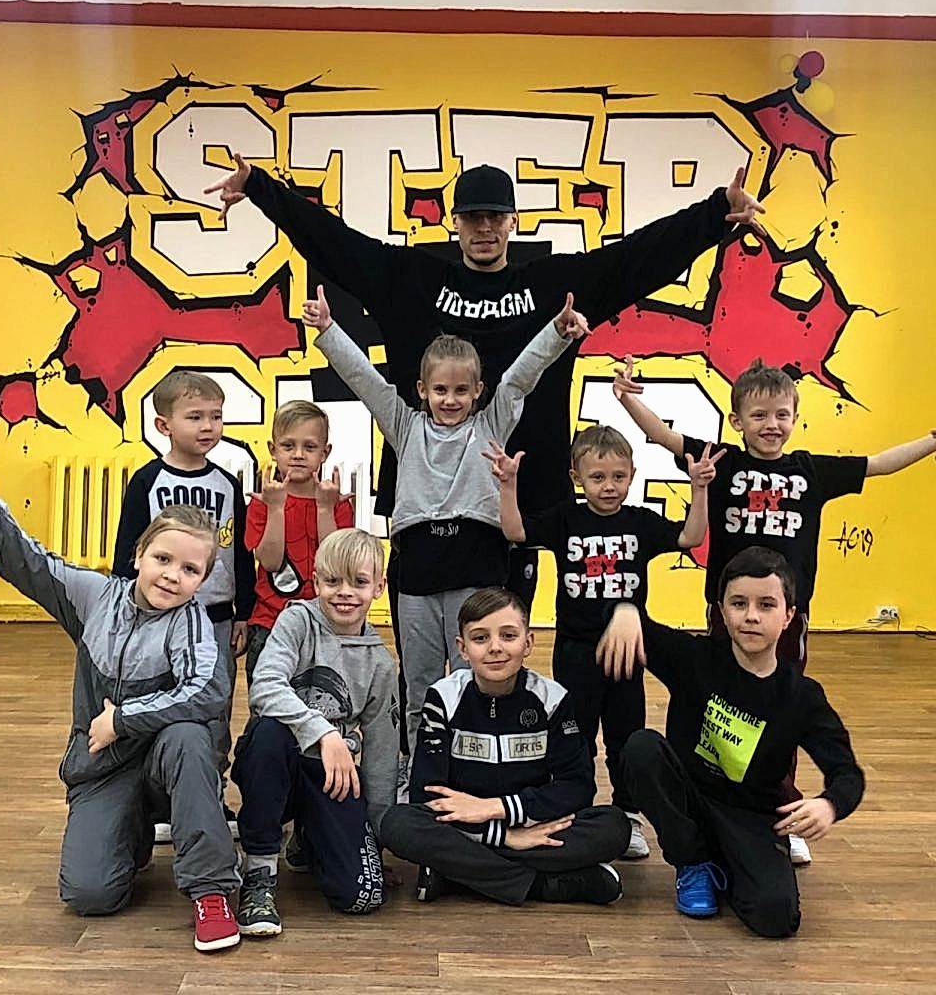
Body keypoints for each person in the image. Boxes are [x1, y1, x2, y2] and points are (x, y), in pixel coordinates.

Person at [204, 155, 764, 611]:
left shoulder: (554, 287)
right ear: (456, 222)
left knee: (501, 643)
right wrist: (260, 188)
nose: (485, 229)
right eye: (473, 218)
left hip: (517, 496)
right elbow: (335, 242)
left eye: (496, 217)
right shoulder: (413, 280)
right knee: (424, 654)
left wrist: (716, 212)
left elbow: (636, 259)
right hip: (426, 505)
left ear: (513, 222)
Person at [614, 355, 936, 864]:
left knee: (781, 713)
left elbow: (879, 464)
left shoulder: (809, 471)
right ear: (737, 421)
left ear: (795, 417)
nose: (771, 425)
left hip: (785, 623)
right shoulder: (724, 462)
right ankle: (709, 796)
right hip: (728, 618)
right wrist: (627, 399)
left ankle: (782, 811)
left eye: (781, 414)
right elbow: (664, 437)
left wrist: (935, 441)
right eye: (759, 415)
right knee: (717, 702)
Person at [0, 451, 242, 952]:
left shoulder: (194, 624)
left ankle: (211, 892)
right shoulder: (95, 597)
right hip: (104, 767)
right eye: (163, 559)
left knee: (190, 738)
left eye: (190, 569)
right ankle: (131, 830)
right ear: (138, 555)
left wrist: (122, 720)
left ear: (202, 580)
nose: (173, 575)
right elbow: (26, 561)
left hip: (167, 763)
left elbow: (208, 694)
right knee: (89, 894)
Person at [301, 283, 588, 757]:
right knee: (419, 684)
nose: (450, 400)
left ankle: (475, 763)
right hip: (417, 573)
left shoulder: (490, 424)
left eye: (460, 390)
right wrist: (329, 329)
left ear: (478, 392)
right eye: (439, 390)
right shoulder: (405, 426)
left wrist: (556, 333)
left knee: (473, 678)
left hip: (475, 566)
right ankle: (421, 770)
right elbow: (364, 380)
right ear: (422, 391)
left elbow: (521, 377)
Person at [602, 547, 865, 938]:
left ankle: (725, 863)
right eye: (739, 604)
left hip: (750, 817)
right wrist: (626, 610)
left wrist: (829, 805)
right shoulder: (694, 658)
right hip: (689, 801)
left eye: (766, 605)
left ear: (789, 615)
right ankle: (693, 862)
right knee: (642, 748)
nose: (751, 616)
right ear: (722, 611)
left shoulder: (801, 696)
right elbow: (631, 619)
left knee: (776, 917)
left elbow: (847, 773)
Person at [487, 426, 722, 861]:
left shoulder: (640, 522)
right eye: (597, 478)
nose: (609, 486)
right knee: (575, 737)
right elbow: (516, 531)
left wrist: (700, 489)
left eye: (618, 476)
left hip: (626, 650)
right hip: (576, 649)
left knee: (625, 734)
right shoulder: (565, 519)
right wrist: (508, 485)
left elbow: (690, 537)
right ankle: (577, 810)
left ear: (632, 474)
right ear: (576, 477)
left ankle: (628, 813)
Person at [379, 587, 630, 906]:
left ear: (528, 643)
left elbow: (577, 787)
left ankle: (458, 875)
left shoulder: (552, 699)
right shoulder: (443, 698)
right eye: (480, 638)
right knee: (399, 824)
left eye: (508, 636)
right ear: (462, 648)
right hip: (465, 828)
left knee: (614, 827)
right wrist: (506, 837)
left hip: (528, 821)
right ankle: (542, 884)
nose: (495, 647)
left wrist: (498, 808)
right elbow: (427, 794)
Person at [112, 369, 256, 840]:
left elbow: (240, 553)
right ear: (163, 425)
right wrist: (125, 614)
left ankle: (210, 799)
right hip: (160, 620)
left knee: (214, 713)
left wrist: (243, 611)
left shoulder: (228, 484)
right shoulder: (146, 482)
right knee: (160, 705)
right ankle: (160, 804)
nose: (208, 426)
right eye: (195, 416)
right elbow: (126, 553)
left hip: (216, 619)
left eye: (216, 416)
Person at [233, 529, 399, 936]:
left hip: (330, 776)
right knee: (270, 732)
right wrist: (324, 734)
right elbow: (265, 687)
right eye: (333, 581)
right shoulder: (296, 620)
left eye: (359, 582)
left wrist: (372, 836)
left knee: (363, 896)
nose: (345, 593)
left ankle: (309, 836)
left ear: (379, 587)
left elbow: (381, 752)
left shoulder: (381, 663)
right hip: (275, 763)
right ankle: (259, 872)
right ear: (316, 579)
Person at [244, 399, 355, 685]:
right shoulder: (263, 502)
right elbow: (270, 562)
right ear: (273, 449)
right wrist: (276, 508)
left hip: (324, 623)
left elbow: (335, 566)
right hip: (270, 622)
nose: (298, 455)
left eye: (309, 447)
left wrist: (325, 509)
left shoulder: (336, 503)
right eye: (288, 446)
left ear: (324, 452)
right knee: (268, 701)